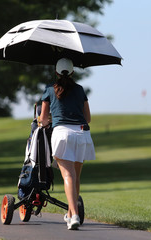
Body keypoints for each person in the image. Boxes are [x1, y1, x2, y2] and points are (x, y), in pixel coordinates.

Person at [39, 58, 95, 230]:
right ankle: (70, 213)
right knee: (76, 177)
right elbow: (88, 118)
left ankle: (75, 215)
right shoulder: (80, 90)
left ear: (56, 72)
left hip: (62, 134)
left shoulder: (49, 89)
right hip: (82, 134)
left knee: (68, 176)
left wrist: (45, 121)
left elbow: (43, 120)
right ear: (72, 72)